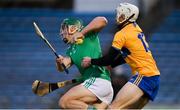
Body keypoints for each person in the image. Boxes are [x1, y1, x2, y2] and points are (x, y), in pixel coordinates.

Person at [80, 2, 160, 109]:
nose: (117, 17)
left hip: (144, 76)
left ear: (127, 16)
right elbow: (126, 56)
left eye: (120, 15)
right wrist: (111, 66)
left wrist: (91, 61)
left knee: (113, 107)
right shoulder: (136, 29)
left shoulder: (122, 34)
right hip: (154, 77)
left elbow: (108, 59)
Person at [56, 17, 113, 109]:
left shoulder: (87, 35)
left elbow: (103, 20)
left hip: (97, 81)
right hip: (100, 86)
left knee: (64, 102)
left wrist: (81, 33)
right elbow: (62, 67)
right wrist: (59, 62)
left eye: (64, 28)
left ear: (72, 28)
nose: (62, 32)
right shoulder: (70, 50)